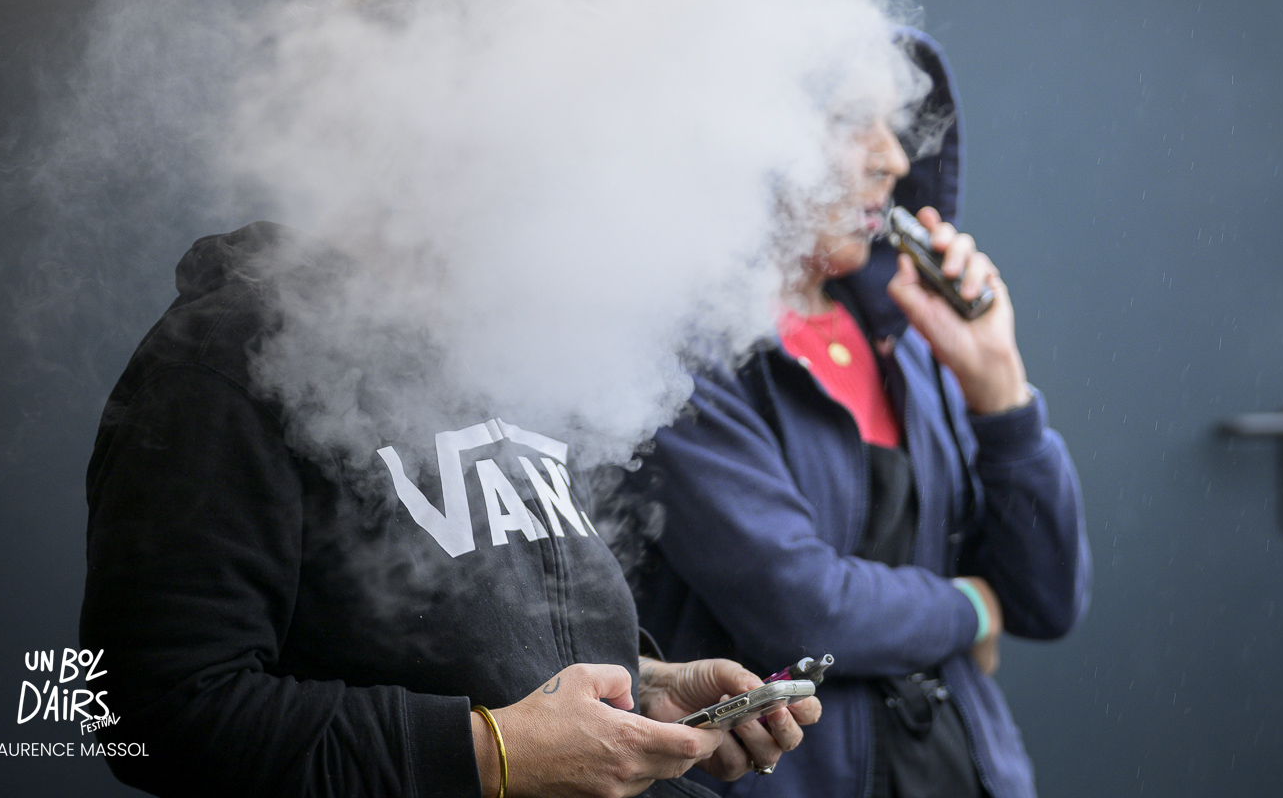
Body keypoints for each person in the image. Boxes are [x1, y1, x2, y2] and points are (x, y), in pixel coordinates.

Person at [79, 221, 820, 798]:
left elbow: (490, 649)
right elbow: (157, 715)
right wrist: (492, 753)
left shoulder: (508, 340)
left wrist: (648, 690)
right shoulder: (227, 357)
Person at [628, 30, 1091, 798]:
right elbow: (804, 611)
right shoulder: (680, 358)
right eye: (850, 122)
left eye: (894, 123)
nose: (895, 159)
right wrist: (971, 607)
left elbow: (1046, 598)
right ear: (750, 135)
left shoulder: (906, 341)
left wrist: (1001, 392)